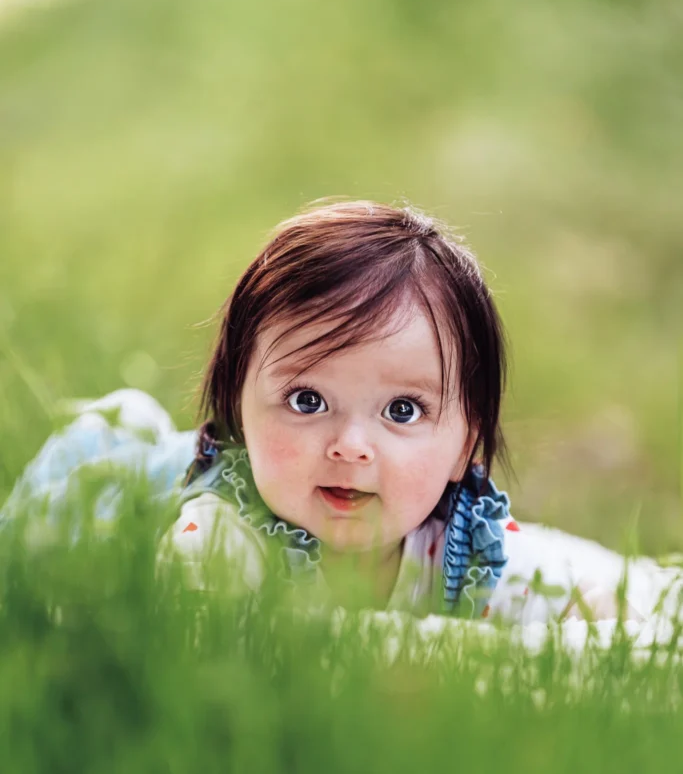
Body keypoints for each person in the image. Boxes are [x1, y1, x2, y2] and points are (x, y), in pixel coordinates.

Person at [157, 200, 681, 627]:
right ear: (238, 413)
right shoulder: (223, 538)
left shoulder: (466, 548)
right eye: (307, 401)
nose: (351, 444)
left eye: (403, 410)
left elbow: (562, 591)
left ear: (464, 447)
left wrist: (595, 615)